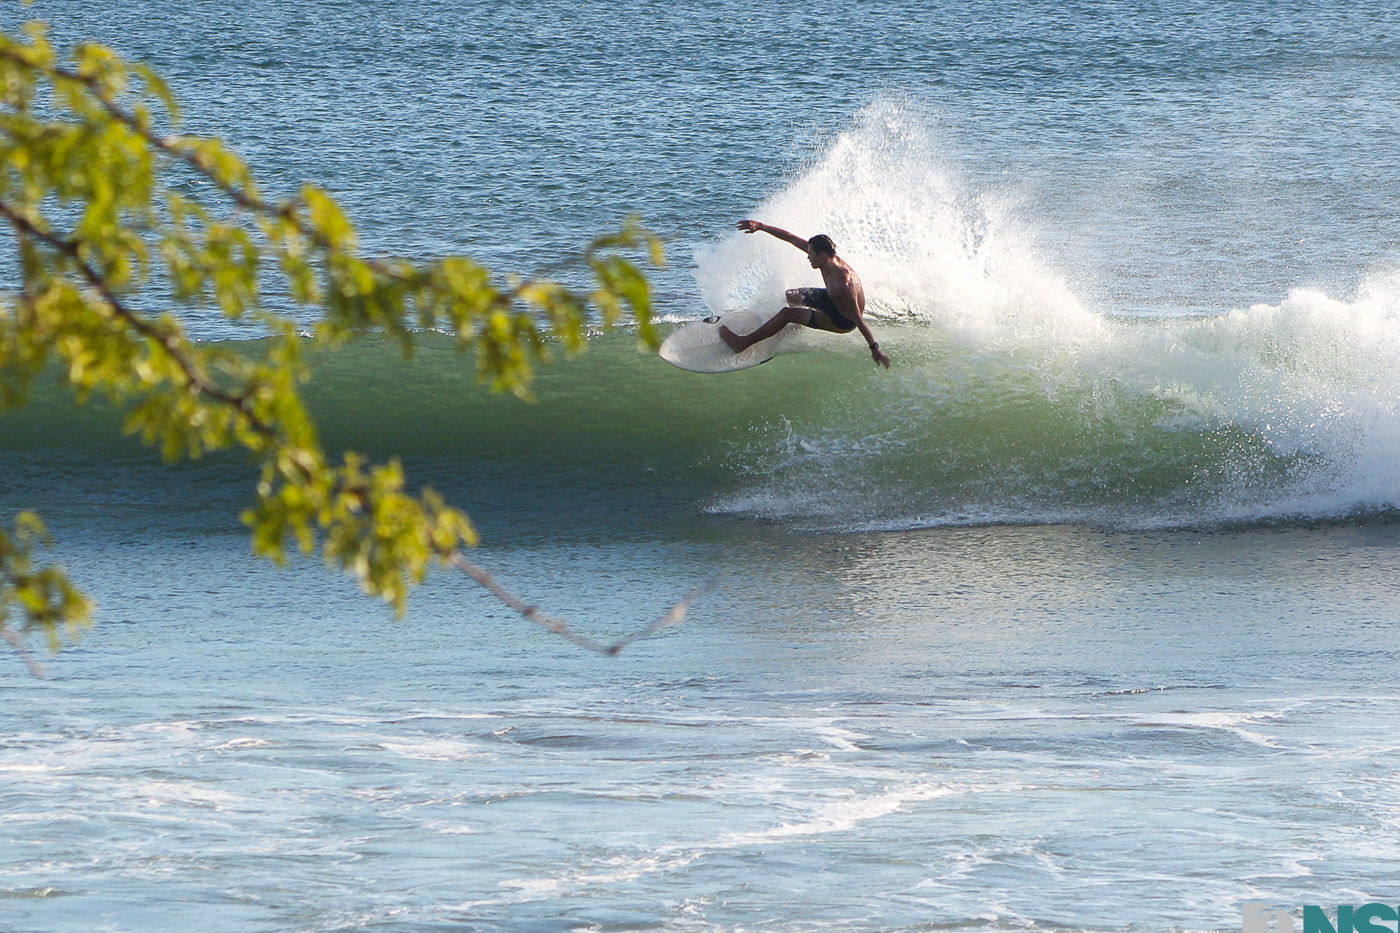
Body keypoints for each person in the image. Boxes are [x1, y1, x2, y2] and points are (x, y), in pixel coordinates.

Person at [720, 220, 890, 368]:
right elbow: (790, 238)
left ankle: (742, 343)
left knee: (787, 314)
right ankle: (797, 326)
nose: (808, 257)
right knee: (792, 295)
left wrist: (874, 348)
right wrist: (761, 226)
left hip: (842, 320)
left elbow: (857, 319)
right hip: (832, 299)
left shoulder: (843, 283)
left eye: (811, 254)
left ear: (821, 255)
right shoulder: (826, 259)